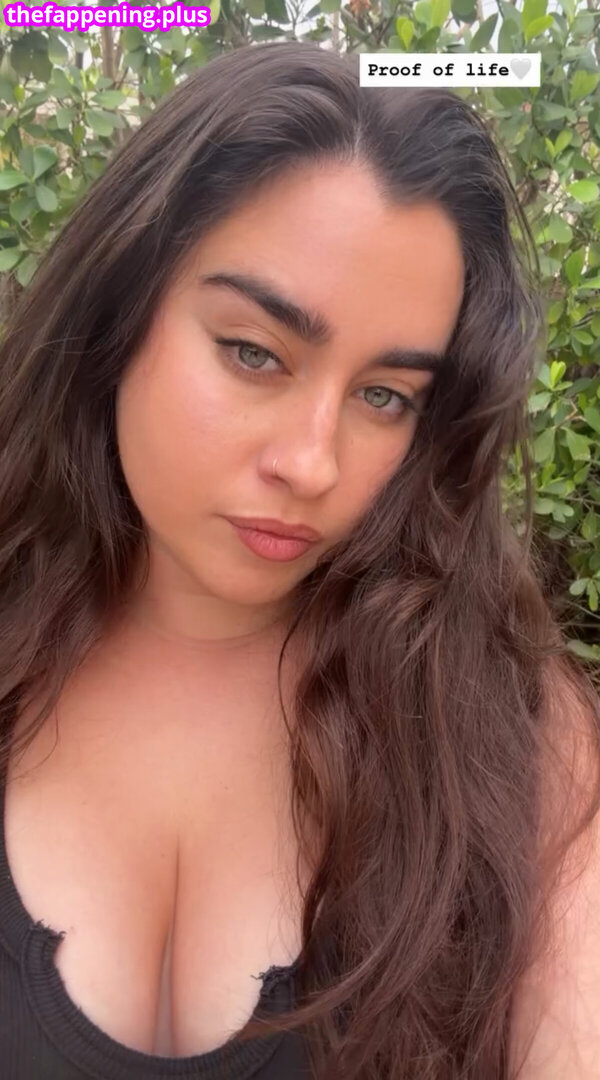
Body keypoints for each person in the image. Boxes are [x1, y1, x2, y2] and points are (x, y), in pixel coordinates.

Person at [0, 39, 599, 1080]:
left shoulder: (515, 735)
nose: (313, 463)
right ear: (119, 310)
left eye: (385, 397)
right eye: (254, 353)